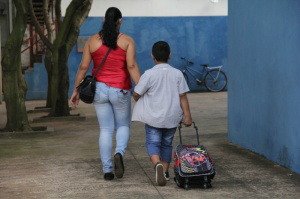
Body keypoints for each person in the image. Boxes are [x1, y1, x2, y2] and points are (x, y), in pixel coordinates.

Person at [70, 7, 141, 180]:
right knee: (123, 126)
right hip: (120, 89)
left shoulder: (92, 41)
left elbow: (83, 67)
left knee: (105, 129)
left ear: (104, 19)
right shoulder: (127, 41)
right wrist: (141, 88)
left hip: (99, 91)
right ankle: (119, 153)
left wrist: (75, 89)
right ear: (120, 21)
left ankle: (107, 170)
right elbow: (131, 66)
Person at [131, 41, 192, 186]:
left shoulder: (149, 74)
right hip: (172, 117)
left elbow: (136, 93)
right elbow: (182, 96)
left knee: (153, 142)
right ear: (170, 55)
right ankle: (164, 172)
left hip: (153, 117)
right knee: (167, 144)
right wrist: (187, 115)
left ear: (152, 56)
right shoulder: (177, 74)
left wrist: (137, 97)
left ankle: (157, 164)